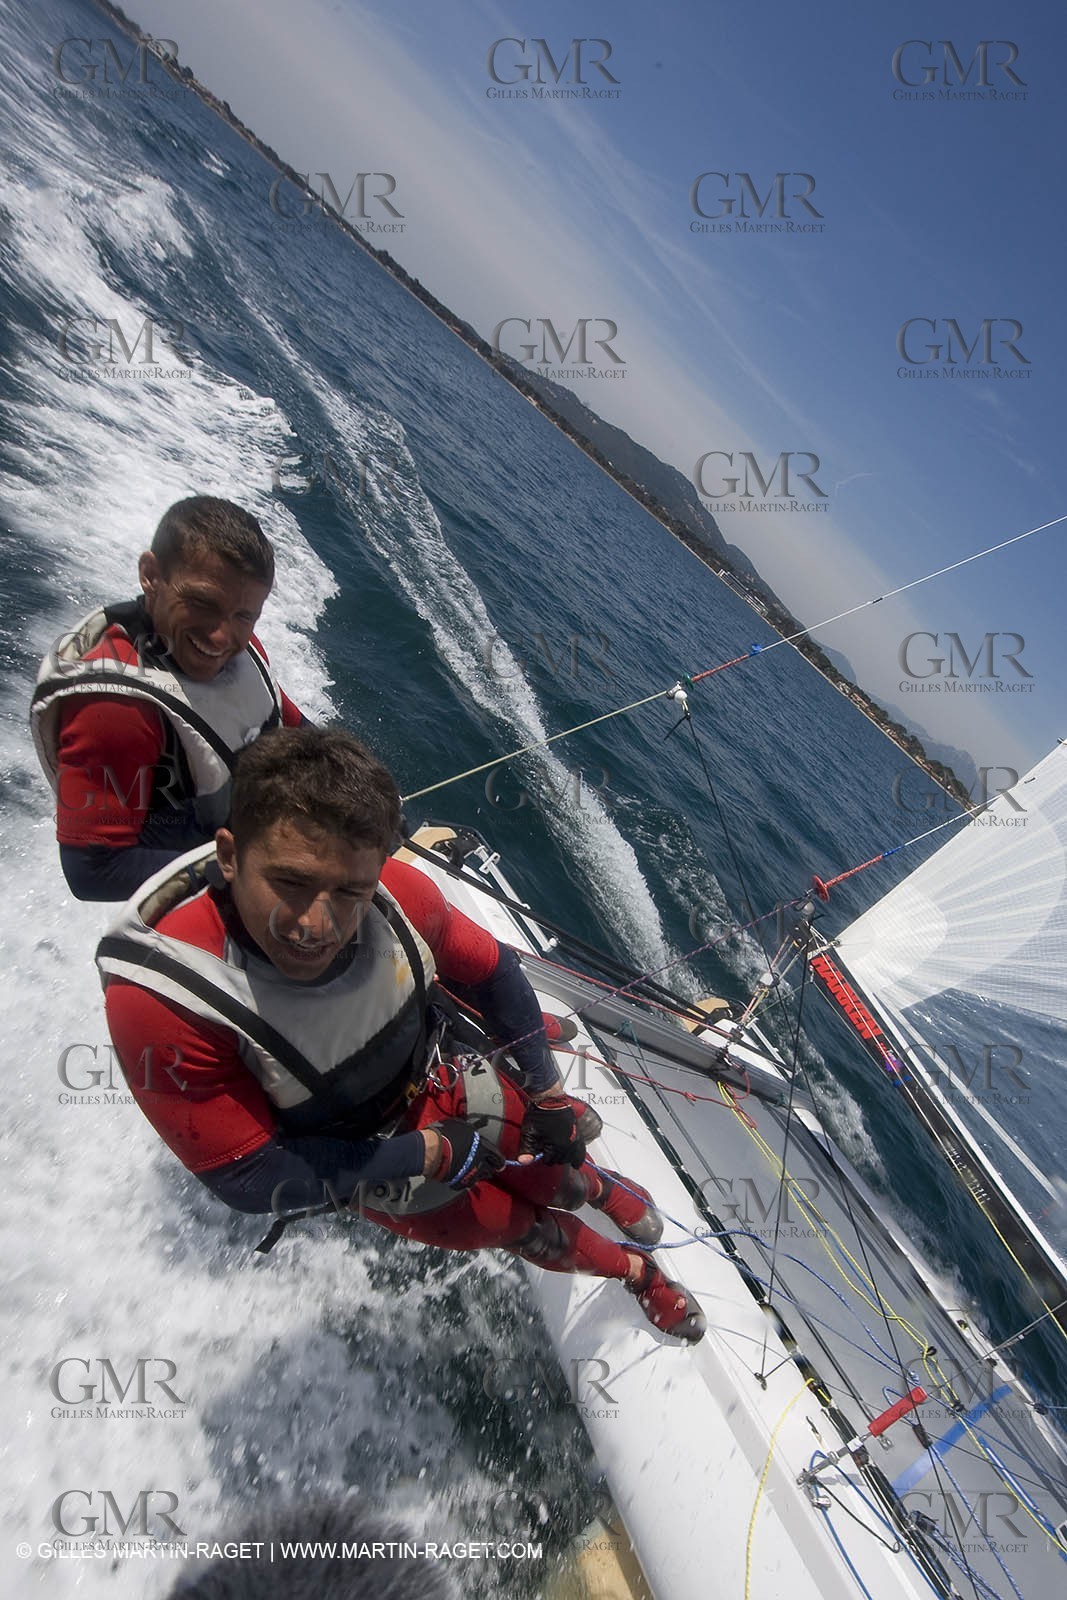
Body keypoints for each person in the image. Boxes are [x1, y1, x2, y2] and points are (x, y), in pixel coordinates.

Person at [96, 726, 706, 1341]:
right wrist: (429, 1153)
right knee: (520, 1227)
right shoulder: (161, 999)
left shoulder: (401, 896)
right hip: (369, 1156)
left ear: (377, 873)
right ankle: (636, 1272)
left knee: (558, 1170)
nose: (316, 923)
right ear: (229, 855)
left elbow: (496, 973)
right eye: (290, 882)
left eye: (350, 892)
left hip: (444, 1073)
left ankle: (598, 1186)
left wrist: (548, 1093)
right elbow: (250, 1177)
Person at [30, 495, 306, 902]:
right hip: (208, 864)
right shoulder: (114, 712)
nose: (220, 636)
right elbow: (92, 872)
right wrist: (250, 864)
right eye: (202, 604)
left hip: (247, 821)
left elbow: (291, 725)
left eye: (243, 617)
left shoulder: (242, 651)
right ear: (150, 575)